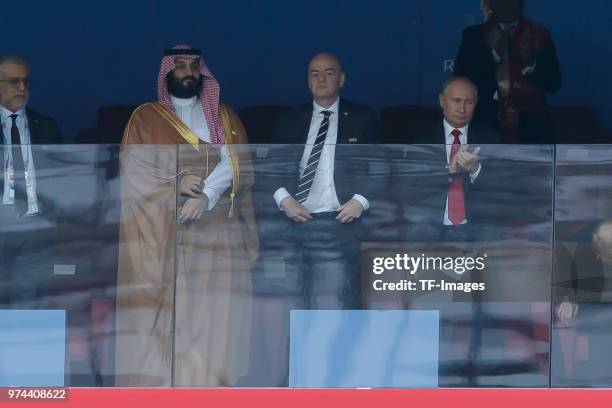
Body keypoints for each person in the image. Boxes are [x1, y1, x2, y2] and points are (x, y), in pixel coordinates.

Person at [115, 45, 259, 387]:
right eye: (180, 66)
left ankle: (207, 387)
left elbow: (238, 162)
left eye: (195, 65)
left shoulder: (224, 116)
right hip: (168, 236)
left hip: (217, 235)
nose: (188, 72)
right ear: (167, 73)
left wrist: (207, 194)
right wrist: (177, 181)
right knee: (174, 316)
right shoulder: (145, 118)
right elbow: (133, 169)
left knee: (215, 317)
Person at [271, 52, 380, 310]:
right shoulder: (289, 119)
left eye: (329, 72)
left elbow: (380, 166)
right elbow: (270, 167)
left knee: (343, 296)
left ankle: (341, 350)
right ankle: (300, 350)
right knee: (297, 297)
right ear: (308, 81)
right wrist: (285, 200)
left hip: (343, 220)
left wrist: (360, 201)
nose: (321, 78)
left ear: (341, 79)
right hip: (297, 219)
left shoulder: (363, 118)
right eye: (314, 73)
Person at [398, 76, 499, 242]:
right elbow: (411, 186)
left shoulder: (491, 139)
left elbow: (502, 190)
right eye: (456, 101)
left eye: (469, 102)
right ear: (442, 101)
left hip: (477, 228)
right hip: (428, 226)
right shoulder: (420, 141)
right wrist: (448, 172)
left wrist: (475, 170)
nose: (462, 109)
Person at [0, 55, 62, 307]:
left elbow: (61, 179)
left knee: (30, 304)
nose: (22, 88)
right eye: (14, 81)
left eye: (26, 82)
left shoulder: (46, 126)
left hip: (35, 228)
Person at [454, 0, 561, 144]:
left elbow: (554, 83)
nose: (505, 4)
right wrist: (494, 58)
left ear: (521, 3)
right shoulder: (473, 35)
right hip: (484, 124)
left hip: (531, 128)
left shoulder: (539, 34)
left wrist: (533, 68)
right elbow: (460, 81)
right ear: (491, 4)